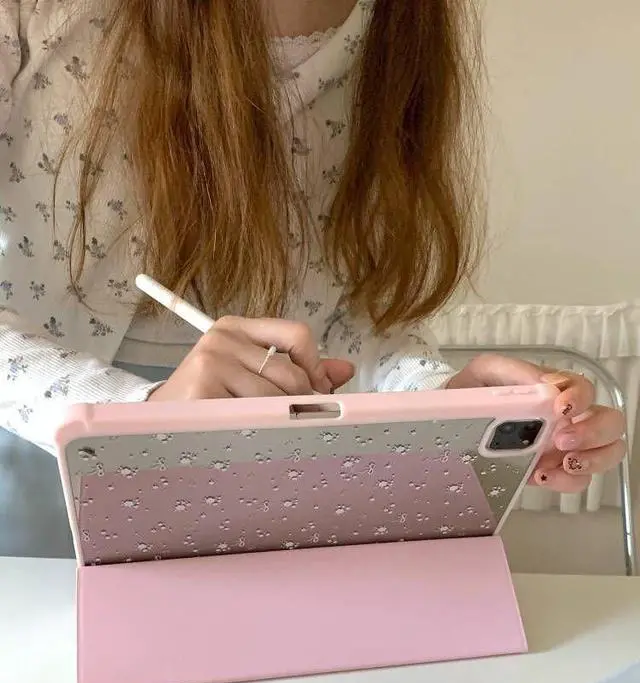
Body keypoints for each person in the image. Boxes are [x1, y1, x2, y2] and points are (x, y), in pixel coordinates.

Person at [0, 0, 626, 555]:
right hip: (30, 469)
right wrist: (137, 417)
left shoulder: (395, 34)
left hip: (269, 489)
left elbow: (358, 324)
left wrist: (446, 406)